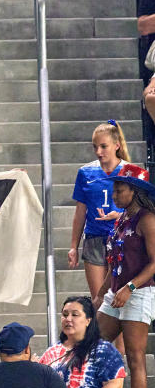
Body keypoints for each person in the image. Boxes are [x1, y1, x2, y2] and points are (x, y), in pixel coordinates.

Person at [94, 164, 155, 388]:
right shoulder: (120, 219)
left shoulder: (147, 219)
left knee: (134, 356)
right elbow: (114, 263)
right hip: (116, 292)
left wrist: (130, 287)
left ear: (135, 191)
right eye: (115, 187)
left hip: (138, 292)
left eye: (120, 188)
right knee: (92, 343)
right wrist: (102, 291)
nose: (115, 192)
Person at [68, 121, 129, 301]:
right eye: (95, 147)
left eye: (104, 146)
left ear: (116, 146)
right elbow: (80, 211)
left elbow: (141, 210)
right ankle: (101, 330)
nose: (98, 152)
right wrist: (73, 246)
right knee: (99, 300)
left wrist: (119, 215)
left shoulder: (129, 172)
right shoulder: (86, 172)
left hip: (122, 238)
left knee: (117, 299)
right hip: (94, 238)